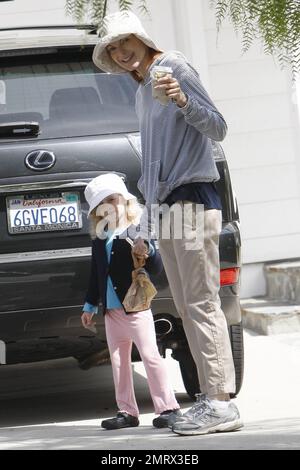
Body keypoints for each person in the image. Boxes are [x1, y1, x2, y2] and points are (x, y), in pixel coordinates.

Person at [92, 11, 243, 436]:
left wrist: (182, 99)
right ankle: (208, 399)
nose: (121, 53)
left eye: (125, 42)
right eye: (112, 49)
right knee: (184, 308)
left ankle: (220, 402)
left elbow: (218, 127)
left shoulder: (174, 66)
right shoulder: (141, 91)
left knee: (201, 303)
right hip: (169, 209)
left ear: (141, 37)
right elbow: (153, 168)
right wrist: (144, 231)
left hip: (194, 201)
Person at [81, 173, 180, 430]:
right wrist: (90, 305)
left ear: (125, 201)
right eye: (105, 202)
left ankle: (168, 407)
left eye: (116, 199)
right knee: (118, 361)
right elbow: (96, 273)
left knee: (150, 355)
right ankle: (127, 411)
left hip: (136, 308)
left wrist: (149, 250)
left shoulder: (137, 229)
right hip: (111, 312)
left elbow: (157, 267)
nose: (112, 205)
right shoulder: (100, 236)